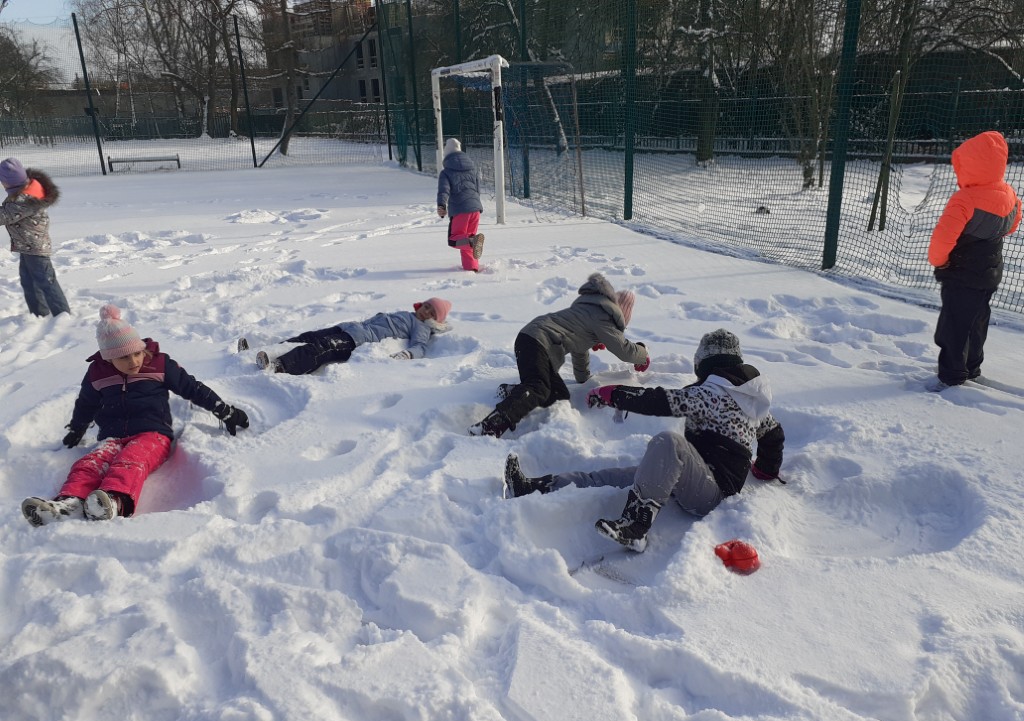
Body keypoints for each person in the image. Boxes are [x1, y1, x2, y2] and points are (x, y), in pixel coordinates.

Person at [503, 329, 785, 553]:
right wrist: (765, 469)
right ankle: (535, 487)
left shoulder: (712, 395)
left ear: (704, 364)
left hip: (712, 494)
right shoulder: (755, 404)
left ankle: (635, 526)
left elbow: (662, 400)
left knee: (669, 443)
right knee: (610, 476)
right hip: (693, 477)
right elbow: (774, 436)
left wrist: (613, 394)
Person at [21, 304, 249, 526]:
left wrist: (224, 411)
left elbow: (192, 388)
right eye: (124, 358)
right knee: (89, 464)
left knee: (130, 460)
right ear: (109, 358)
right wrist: (77, 428)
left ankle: (115, 500)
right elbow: (86, 403)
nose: (134, 362)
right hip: (112, 436)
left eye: (137, 353)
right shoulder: (97, 373)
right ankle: (69, 503)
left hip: (153, 435)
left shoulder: (159, 364)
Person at [469, 272, 649, 438]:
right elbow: (624, 350)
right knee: (539, 388)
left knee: (557, 394)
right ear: (620, 318)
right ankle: (490, 426)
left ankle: (513, 391)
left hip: (529, 338)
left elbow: (580, 350)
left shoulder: (588, 310)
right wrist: (643, 353)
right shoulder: (603, 318)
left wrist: (584, 379)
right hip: (538, 342)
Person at [928, 130, 1022, 389]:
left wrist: (938, 260)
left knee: (955, 324)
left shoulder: (964, 199)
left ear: (967, 165)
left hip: (961, 272)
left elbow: (943, 238)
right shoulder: (1009, 194)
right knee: (978, 318)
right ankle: (972, 366)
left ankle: (952, 375)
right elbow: (1012, 225)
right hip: (990, 271)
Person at [246, 297, 453, 375]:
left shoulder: (422, 327)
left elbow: (420, 346)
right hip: (349, 328)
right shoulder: (408, 314)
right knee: (309, 336)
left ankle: (280, 366)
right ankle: (266, 352)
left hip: (358, 340)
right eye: (426, 306)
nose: (426, 312)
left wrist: (407, 355)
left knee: (322, 348)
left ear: (435, 320)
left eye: (431, 313)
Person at [0, 157, 70, 318]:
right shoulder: (21, 193)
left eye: (2, 181)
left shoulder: (24, 200)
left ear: (10, 182)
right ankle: (39, 314)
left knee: (46, 282)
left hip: (35, 248)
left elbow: (5, 216)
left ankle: (62, 315)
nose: (1, 184)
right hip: (27, 247)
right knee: (29, 282)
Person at [437, 138, 485, 272]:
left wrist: (441, 205)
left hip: (460, 209)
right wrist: (474, 205)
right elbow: (477, 190)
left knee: (454, 239)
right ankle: (472, 268)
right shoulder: (472, 169)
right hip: (475, 208)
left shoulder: (446, 172)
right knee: (467, 238)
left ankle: (472, 242)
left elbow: (444, 190)